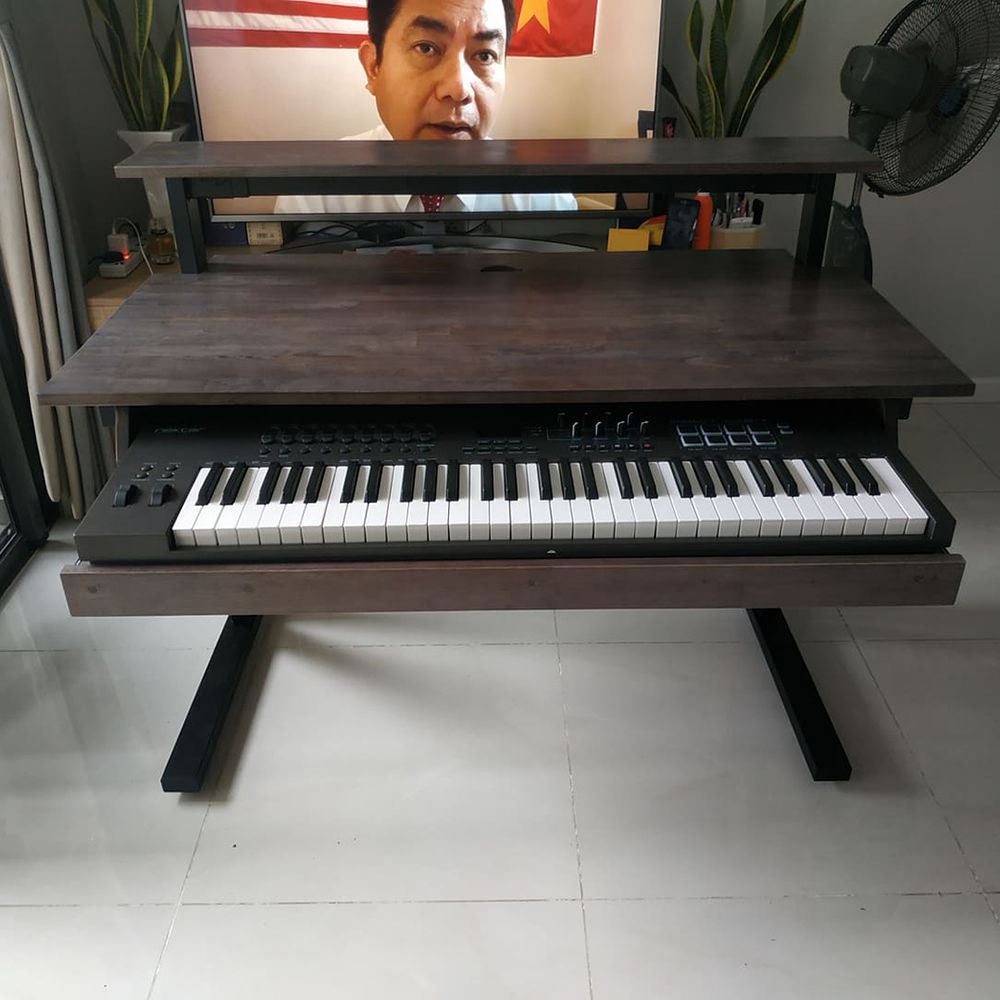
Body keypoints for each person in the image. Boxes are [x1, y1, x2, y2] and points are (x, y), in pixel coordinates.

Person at [274, 0, 577, 215]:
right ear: (374, 67)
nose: (458, 89)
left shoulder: (545, 202)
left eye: (484, 55)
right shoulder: (315, 198)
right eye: (426, 47)